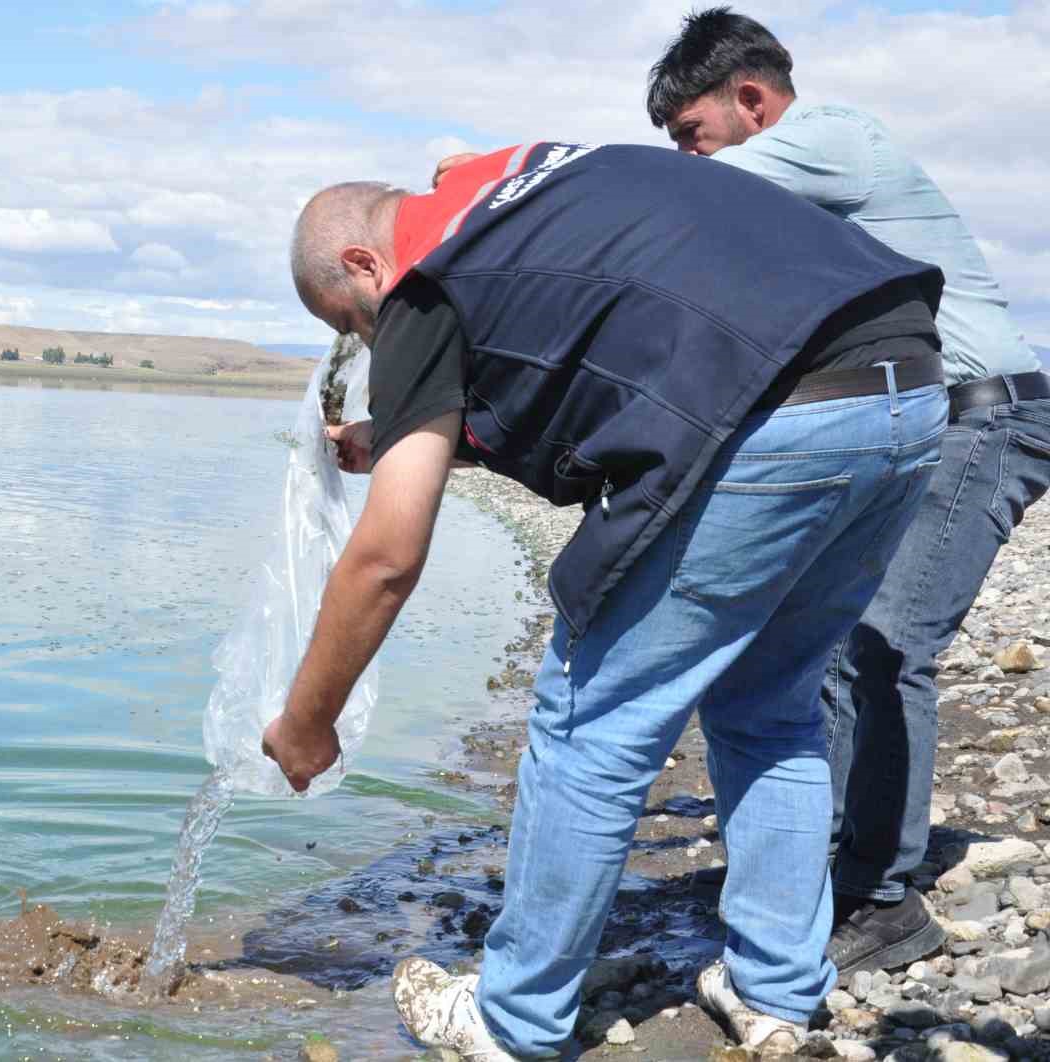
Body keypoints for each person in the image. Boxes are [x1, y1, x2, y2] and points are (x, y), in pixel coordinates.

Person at [263, 141, 947, 1058]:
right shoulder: (508, 189)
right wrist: (408, 436)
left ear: (364, 265)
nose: (372, 343)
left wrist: (310, 720)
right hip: (903, 383)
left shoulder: (426, 281)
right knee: (770, 706)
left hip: (773, 411)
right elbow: (597, 361)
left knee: (592, 721)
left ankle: (512, 1022)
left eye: (359, 324)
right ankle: (776, 992)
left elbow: (386, 555)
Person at [642, 6, 1050, 981]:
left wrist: (516, 186)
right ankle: (802, 872)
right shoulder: (788, 214)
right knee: (822, 645)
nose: (692, 163)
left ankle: (883, 896)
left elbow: (668, 203)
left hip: (981, 418)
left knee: (884, 644)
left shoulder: (827, 137)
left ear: (749, 100)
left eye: (694, 137)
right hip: (908, 422)